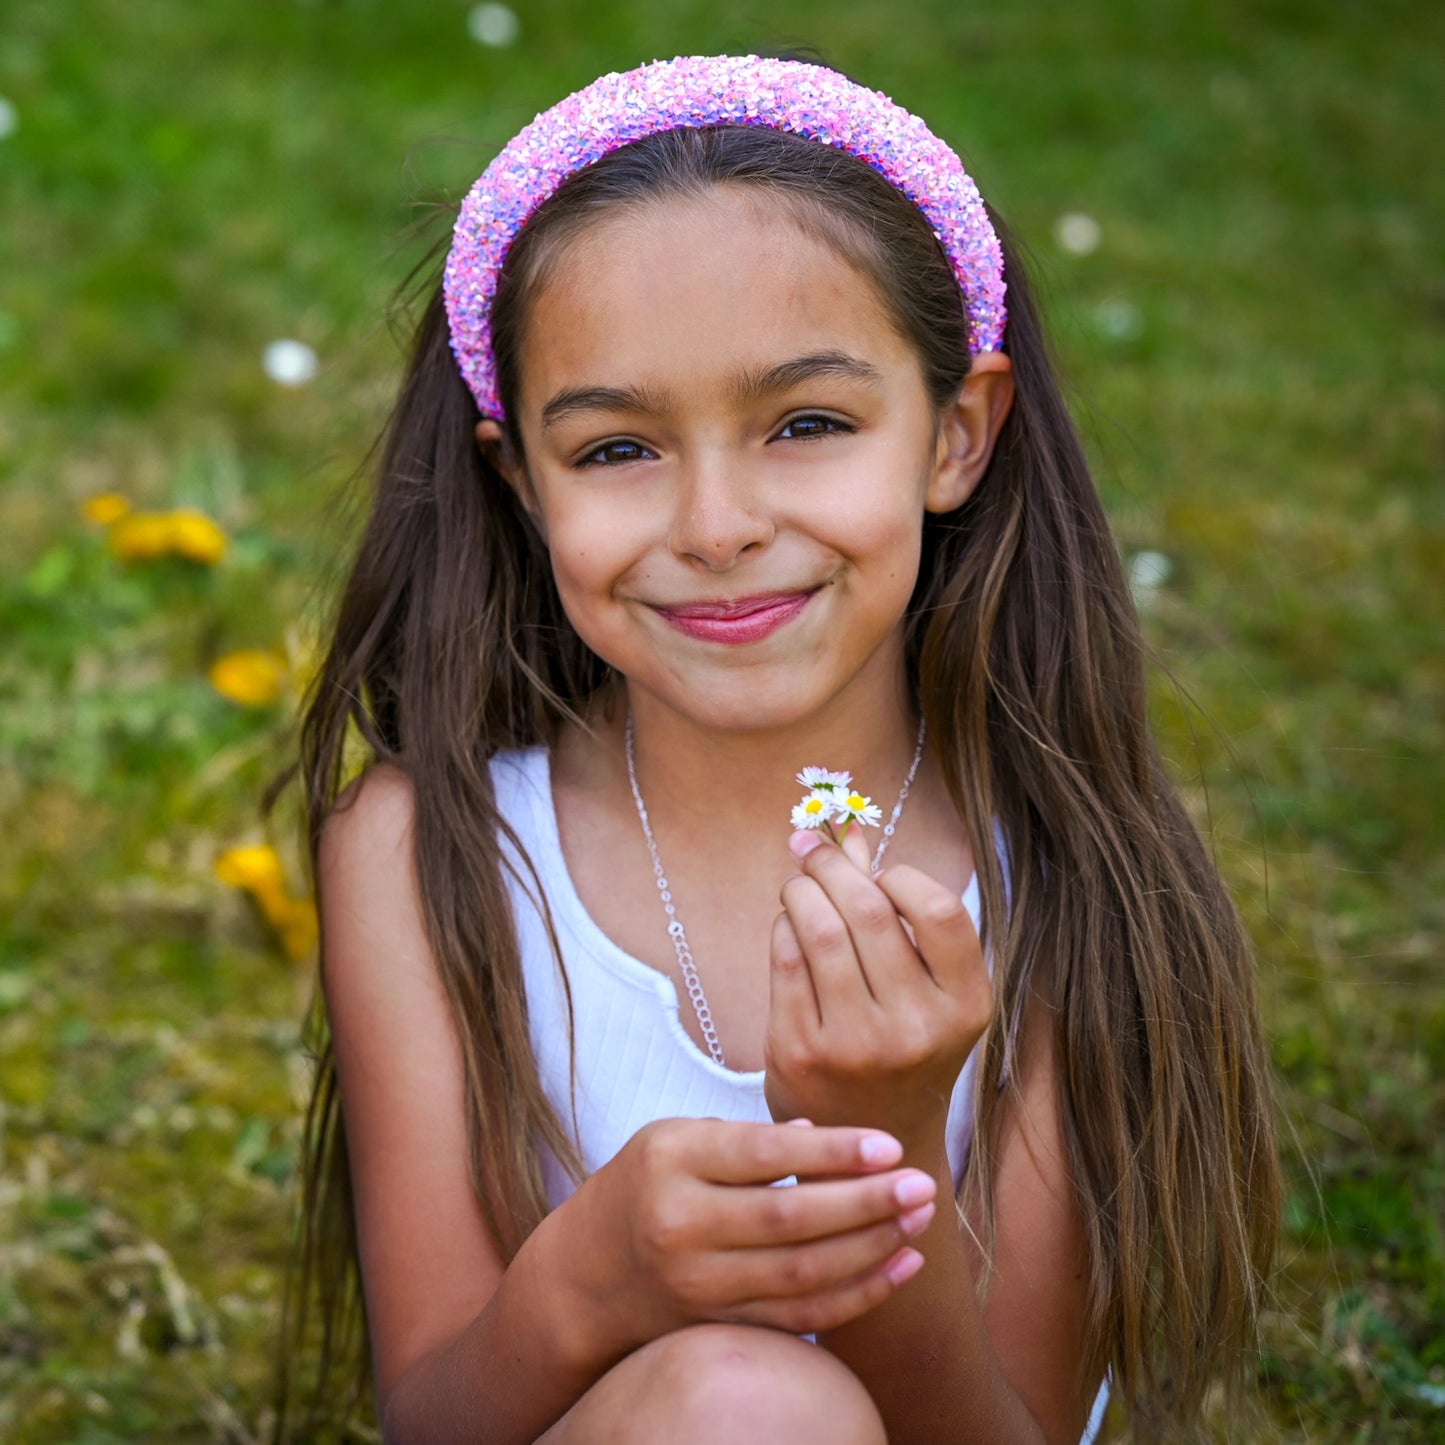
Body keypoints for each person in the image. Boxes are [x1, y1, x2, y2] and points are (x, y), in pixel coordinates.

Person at [278, 55, 1280, 1445]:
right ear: (520, 486)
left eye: (804, 424)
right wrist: (592, 1274)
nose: (716, 523)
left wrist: (883, 1133)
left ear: (955, 435)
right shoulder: (421, 850)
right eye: (617, 448)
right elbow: (436, 1417)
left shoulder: (1060, 870)